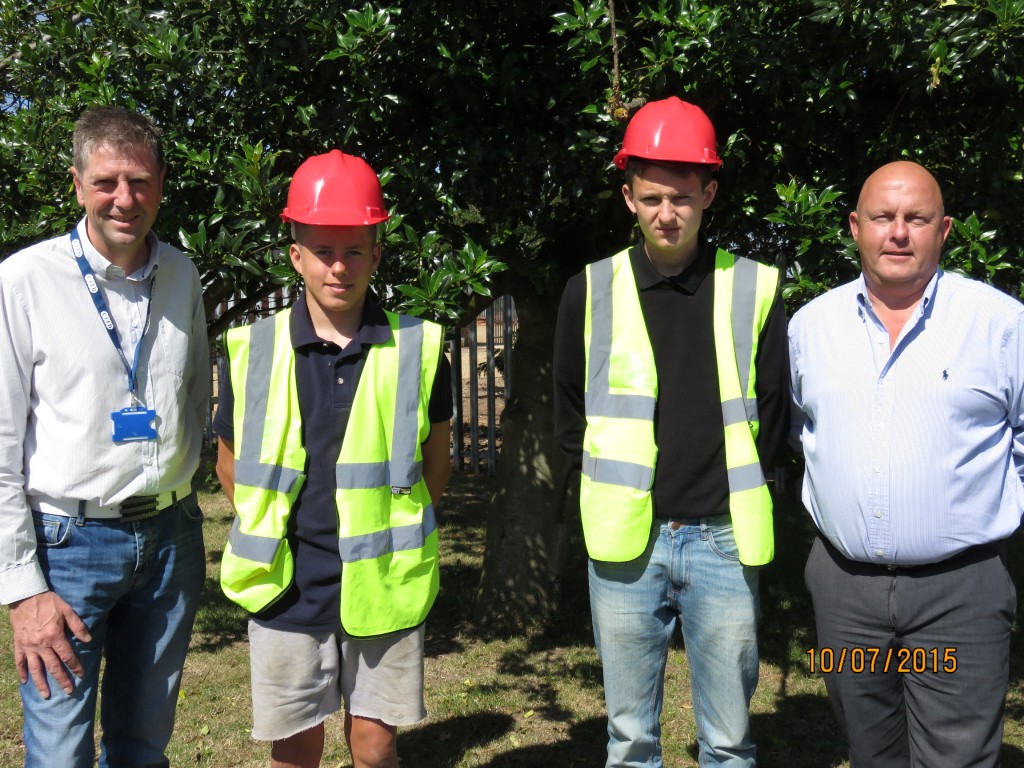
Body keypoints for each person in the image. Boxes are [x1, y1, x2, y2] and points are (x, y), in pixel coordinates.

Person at [553, 96, 790, 767]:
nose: (667, 213)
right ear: (628, 196)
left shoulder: (754, 287)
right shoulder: (589, 290)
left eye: (682, 198)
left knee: (728, 740)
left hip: (723, 537)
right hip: (628, 540)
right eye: (652, 197)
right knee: (629, 739)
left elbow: (774, 413)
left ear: (708, 193)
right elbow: (567, 410)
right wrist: (593, 488)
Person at [214, 149, 453, 768]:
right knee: (295, 751)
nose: (338, 267)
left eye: (354, 250)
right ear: (297, 254)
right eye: (323, 250)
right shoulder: (251, 349)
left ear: (377, 253)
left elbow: (437, 465)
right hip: (286, 586)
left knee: (376, 748)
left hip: (384, 587)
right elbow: (229, 464)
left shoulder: (420, 348)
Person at [789, 160, 1023, 766]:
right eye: (882, 217)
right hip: (844, 595)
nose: (898, 232)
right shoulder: (809, 328)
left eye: (915, 218)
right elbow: (800, 433)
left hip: (960, 594)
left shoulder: (1000, 325)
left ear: (943, 230)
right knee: (868, 749)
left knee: (958, 755)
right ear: (854, 226)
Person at [0, 106, 209, 767]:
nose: (125, 199)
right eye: (107, 182)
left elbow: (196, 393)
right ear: (77, 183)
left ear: (162, 184)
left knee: (144, 747)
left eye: (141, 182)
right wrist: (22, 589)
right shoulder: (24, 282)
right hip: (68, 550)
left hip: (171, 542)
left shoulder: (182, 276)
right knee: (61, 756)